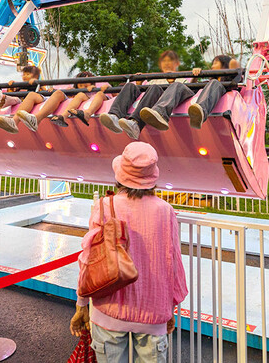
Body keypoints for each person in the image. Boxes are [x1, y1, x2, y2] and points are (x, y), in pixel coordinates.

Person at [70, 142, 187, 362]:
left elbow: (88, 258)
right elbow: (173, 264)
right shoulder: (165, 210)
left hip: (108, 310)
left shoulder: (105, 205)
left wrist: (82, 304)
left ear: (120, 175)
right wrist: (170, 307)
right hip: (153, 313)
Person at [99, 50, 189, 140]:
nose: (166, 63)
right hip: (149, 100)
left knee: (155, 88)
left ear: (177, 63)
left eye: (170, 60)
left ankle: (136, 123)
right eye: (164, 61)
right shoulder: (154, 79)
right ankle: (115, 116)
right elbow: (143, 95)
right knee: (130, 85)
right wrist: (139, 83)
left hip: (163, 103)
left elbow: (184, 91)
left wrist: (173, 80)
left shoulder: (181, 80)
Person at [139, 54, 238, 131]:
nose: (212, 66)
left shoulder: (226, 83)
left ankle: (200, 113)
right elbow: (193, 89)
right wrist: (195, 76)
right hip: (197, 96)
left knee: (215, 83)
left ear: (225, 65)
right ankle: (160, 113)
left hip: (214, 101)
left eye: (215, 63)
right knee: (177, 85)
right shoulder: (208, 83)